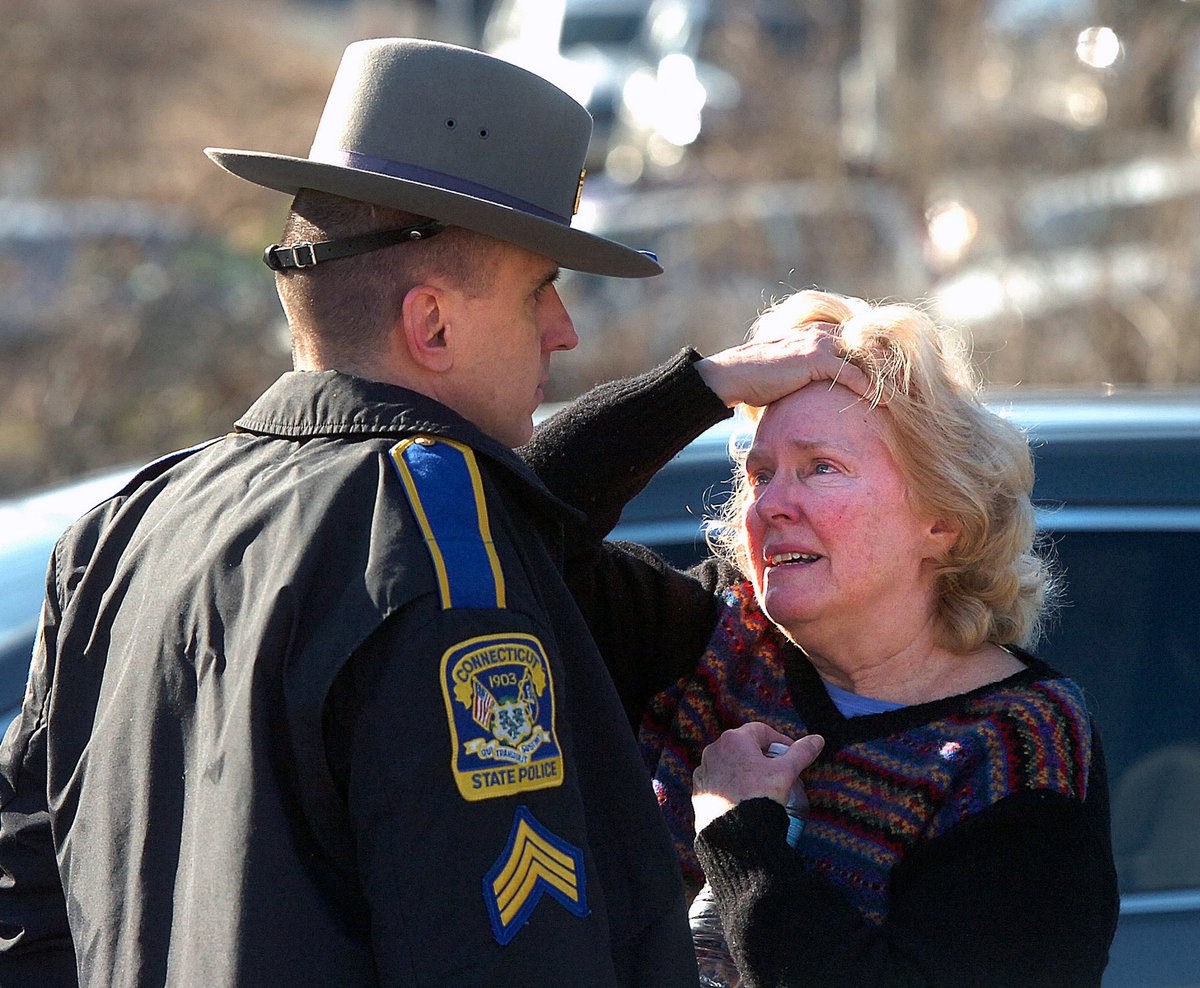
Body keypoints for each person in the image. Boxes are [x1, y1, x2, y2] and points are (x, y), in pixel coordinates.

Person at [0, 38, 858, 987]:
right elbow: (511, 954)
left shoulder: (122, 530)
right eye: (543, 290)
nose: (564, 330)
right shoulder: (440, 549)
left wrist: (696, 388)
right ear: (433, 324)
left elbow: (26, 901)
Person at [523, 289, 1122, 986]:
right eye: (761, 475)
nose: (772, 504)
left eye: (821, 468)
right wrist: (706, 383)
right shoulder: (707, 636)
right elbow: (508, 527)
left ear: (943, 519)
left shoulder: (1018, 746)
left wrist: (741, 832)